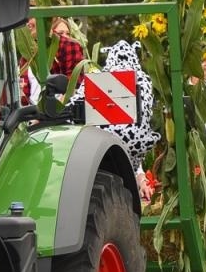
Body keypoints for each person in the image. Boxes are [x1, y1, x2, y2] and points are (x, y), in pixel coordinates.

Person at [67, 40, 158, 202]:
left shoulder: (94, 80)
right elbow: (149, 116)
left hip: (96, 151)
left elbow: (73, 109)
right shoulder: (143, 80)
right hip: (133, 151)